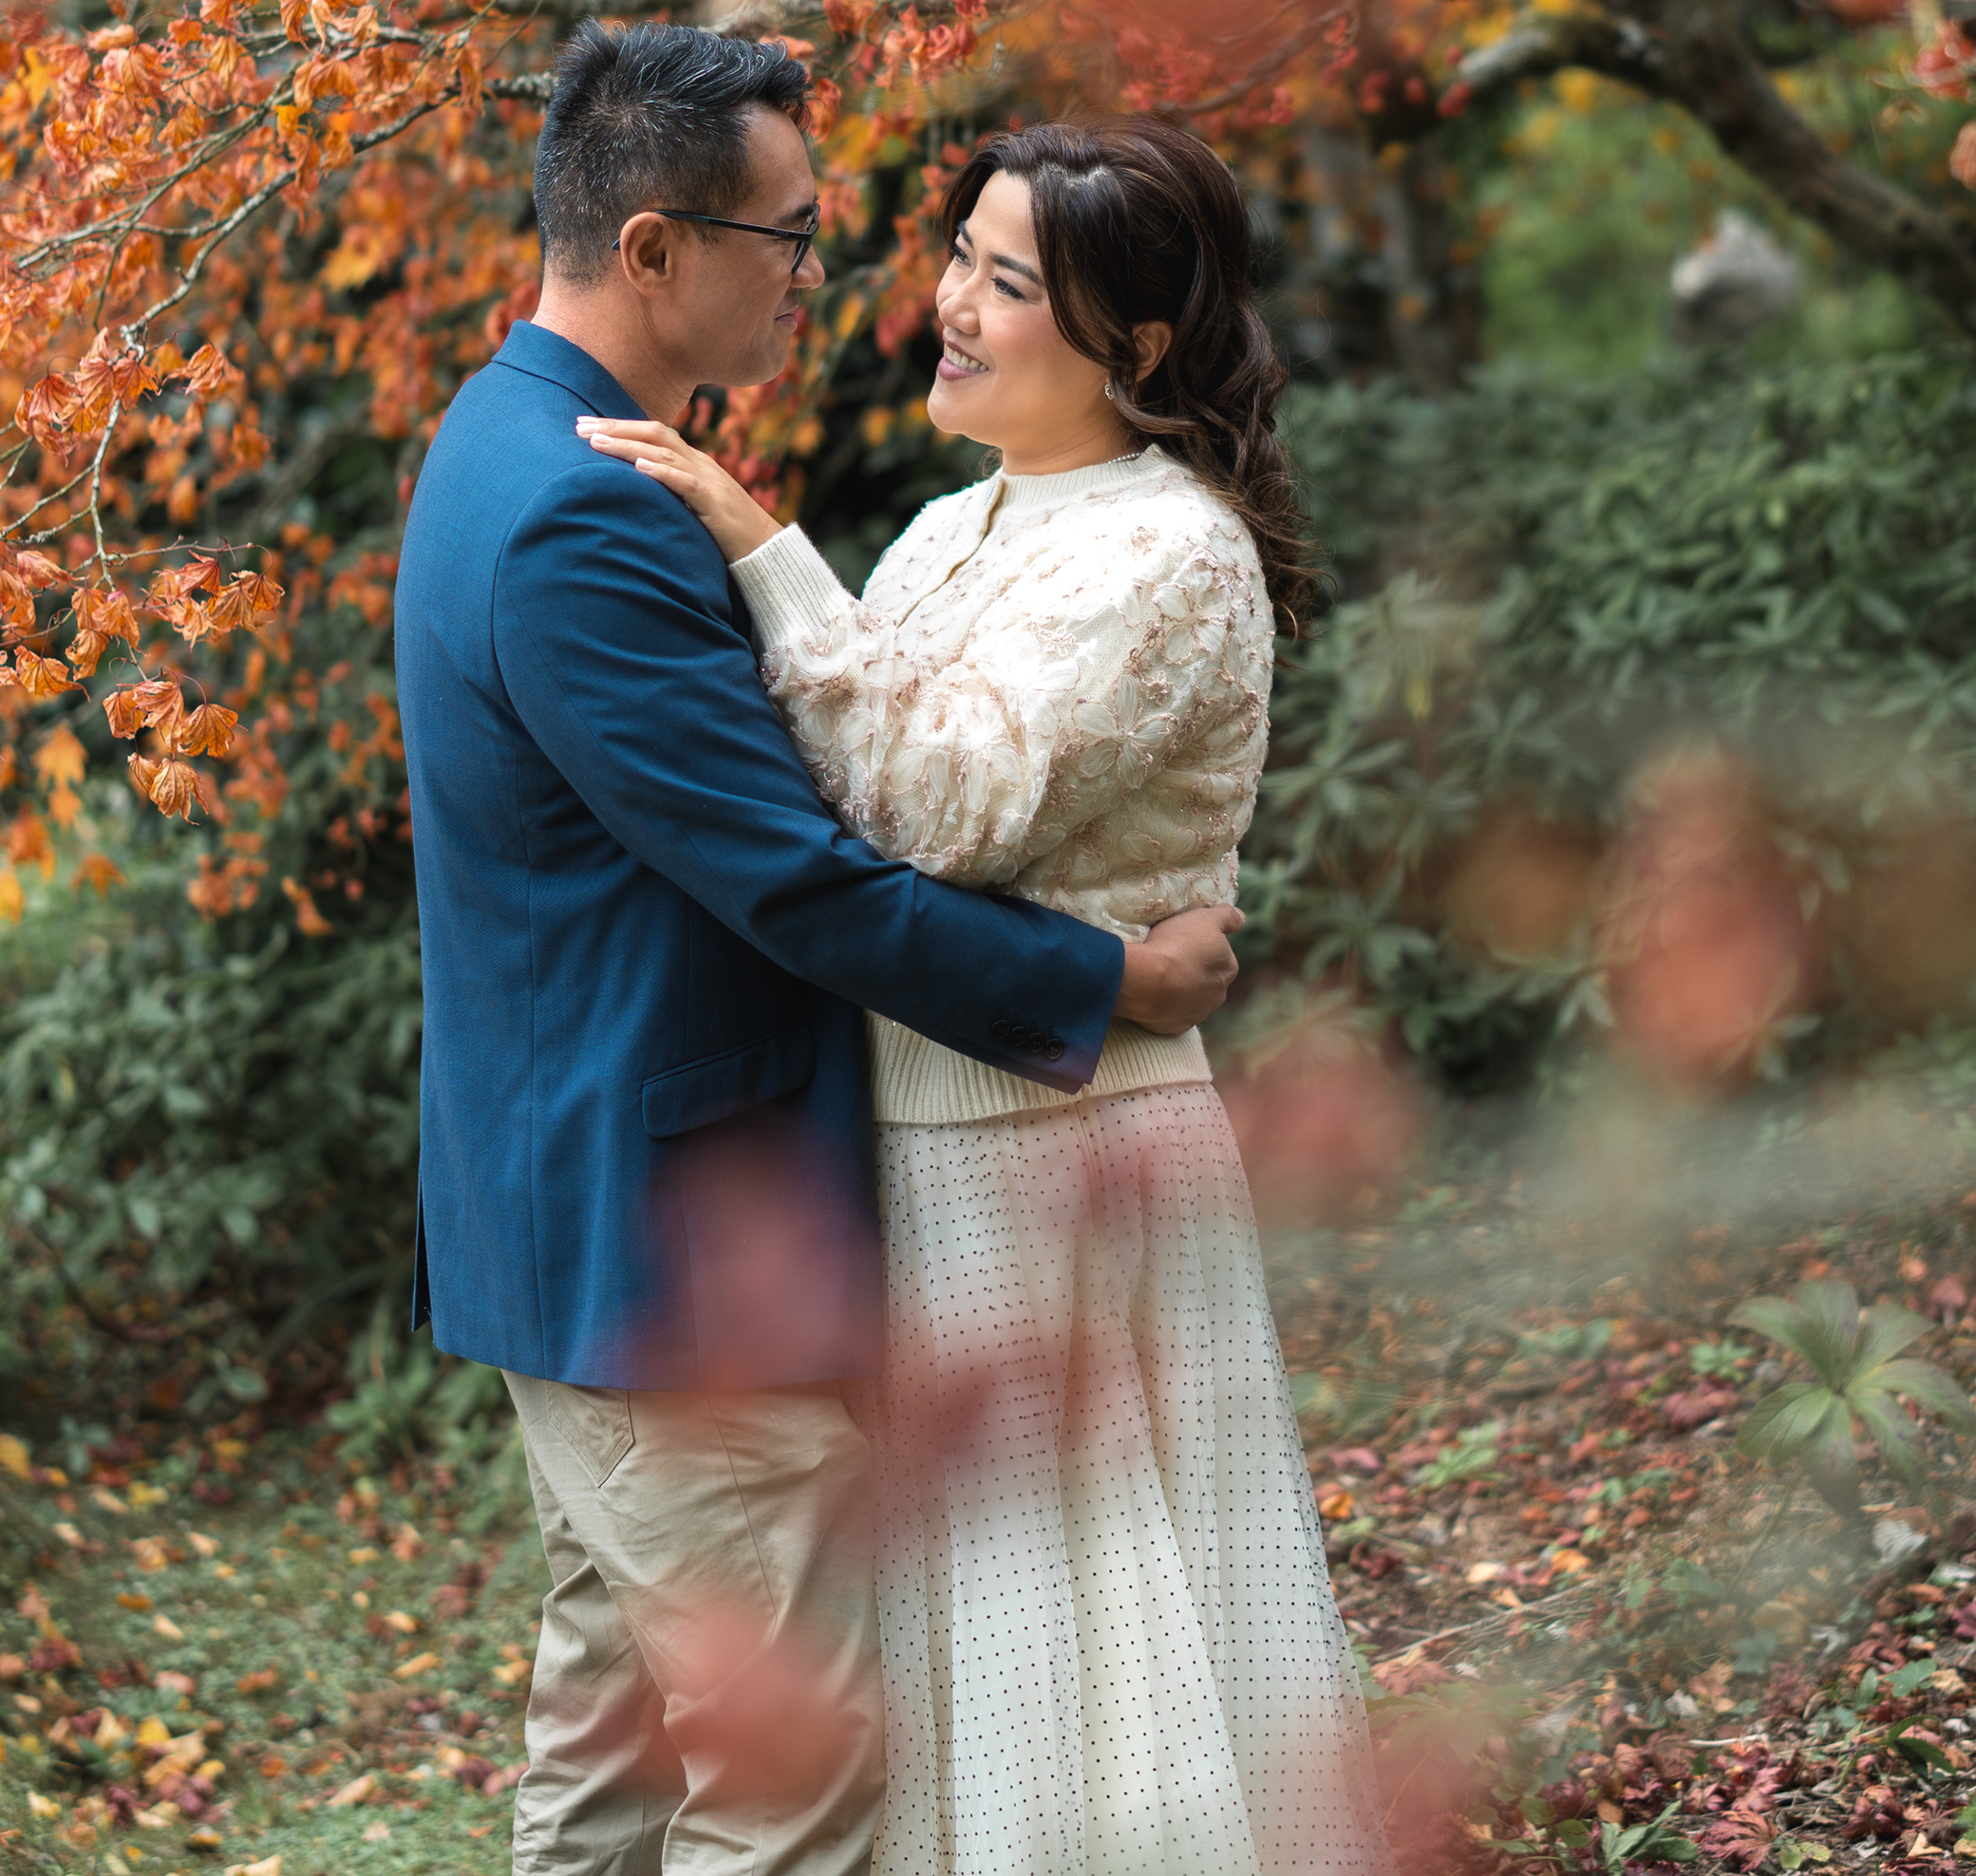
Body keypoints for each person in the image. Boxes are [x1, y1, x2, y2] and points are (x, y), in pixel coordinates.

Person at [396, 24, 1247, 1876]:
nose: (819, 272)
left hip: (588, 1223)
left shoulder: (503, 438)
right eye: (786, 235)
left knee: (613, 1768)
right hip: (666, 1258)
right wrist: (1108, 983)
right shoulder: (582, 516)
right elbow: (800, 882)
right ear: (653, 250)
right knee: (794, 1793)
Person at [581, 114, 1391, 1876]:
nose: (950, 303)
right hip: (921, 1144)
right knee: (954, 1647)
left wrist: (759, 543)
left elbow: (940, 805)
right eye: (961, 256)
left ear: (1135, 343)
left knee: (1086, 1653)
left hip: (1062, 1153)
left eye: (1007, 281)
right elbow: (835, 810)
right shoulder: (955, 528)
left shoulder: (1171, 549)